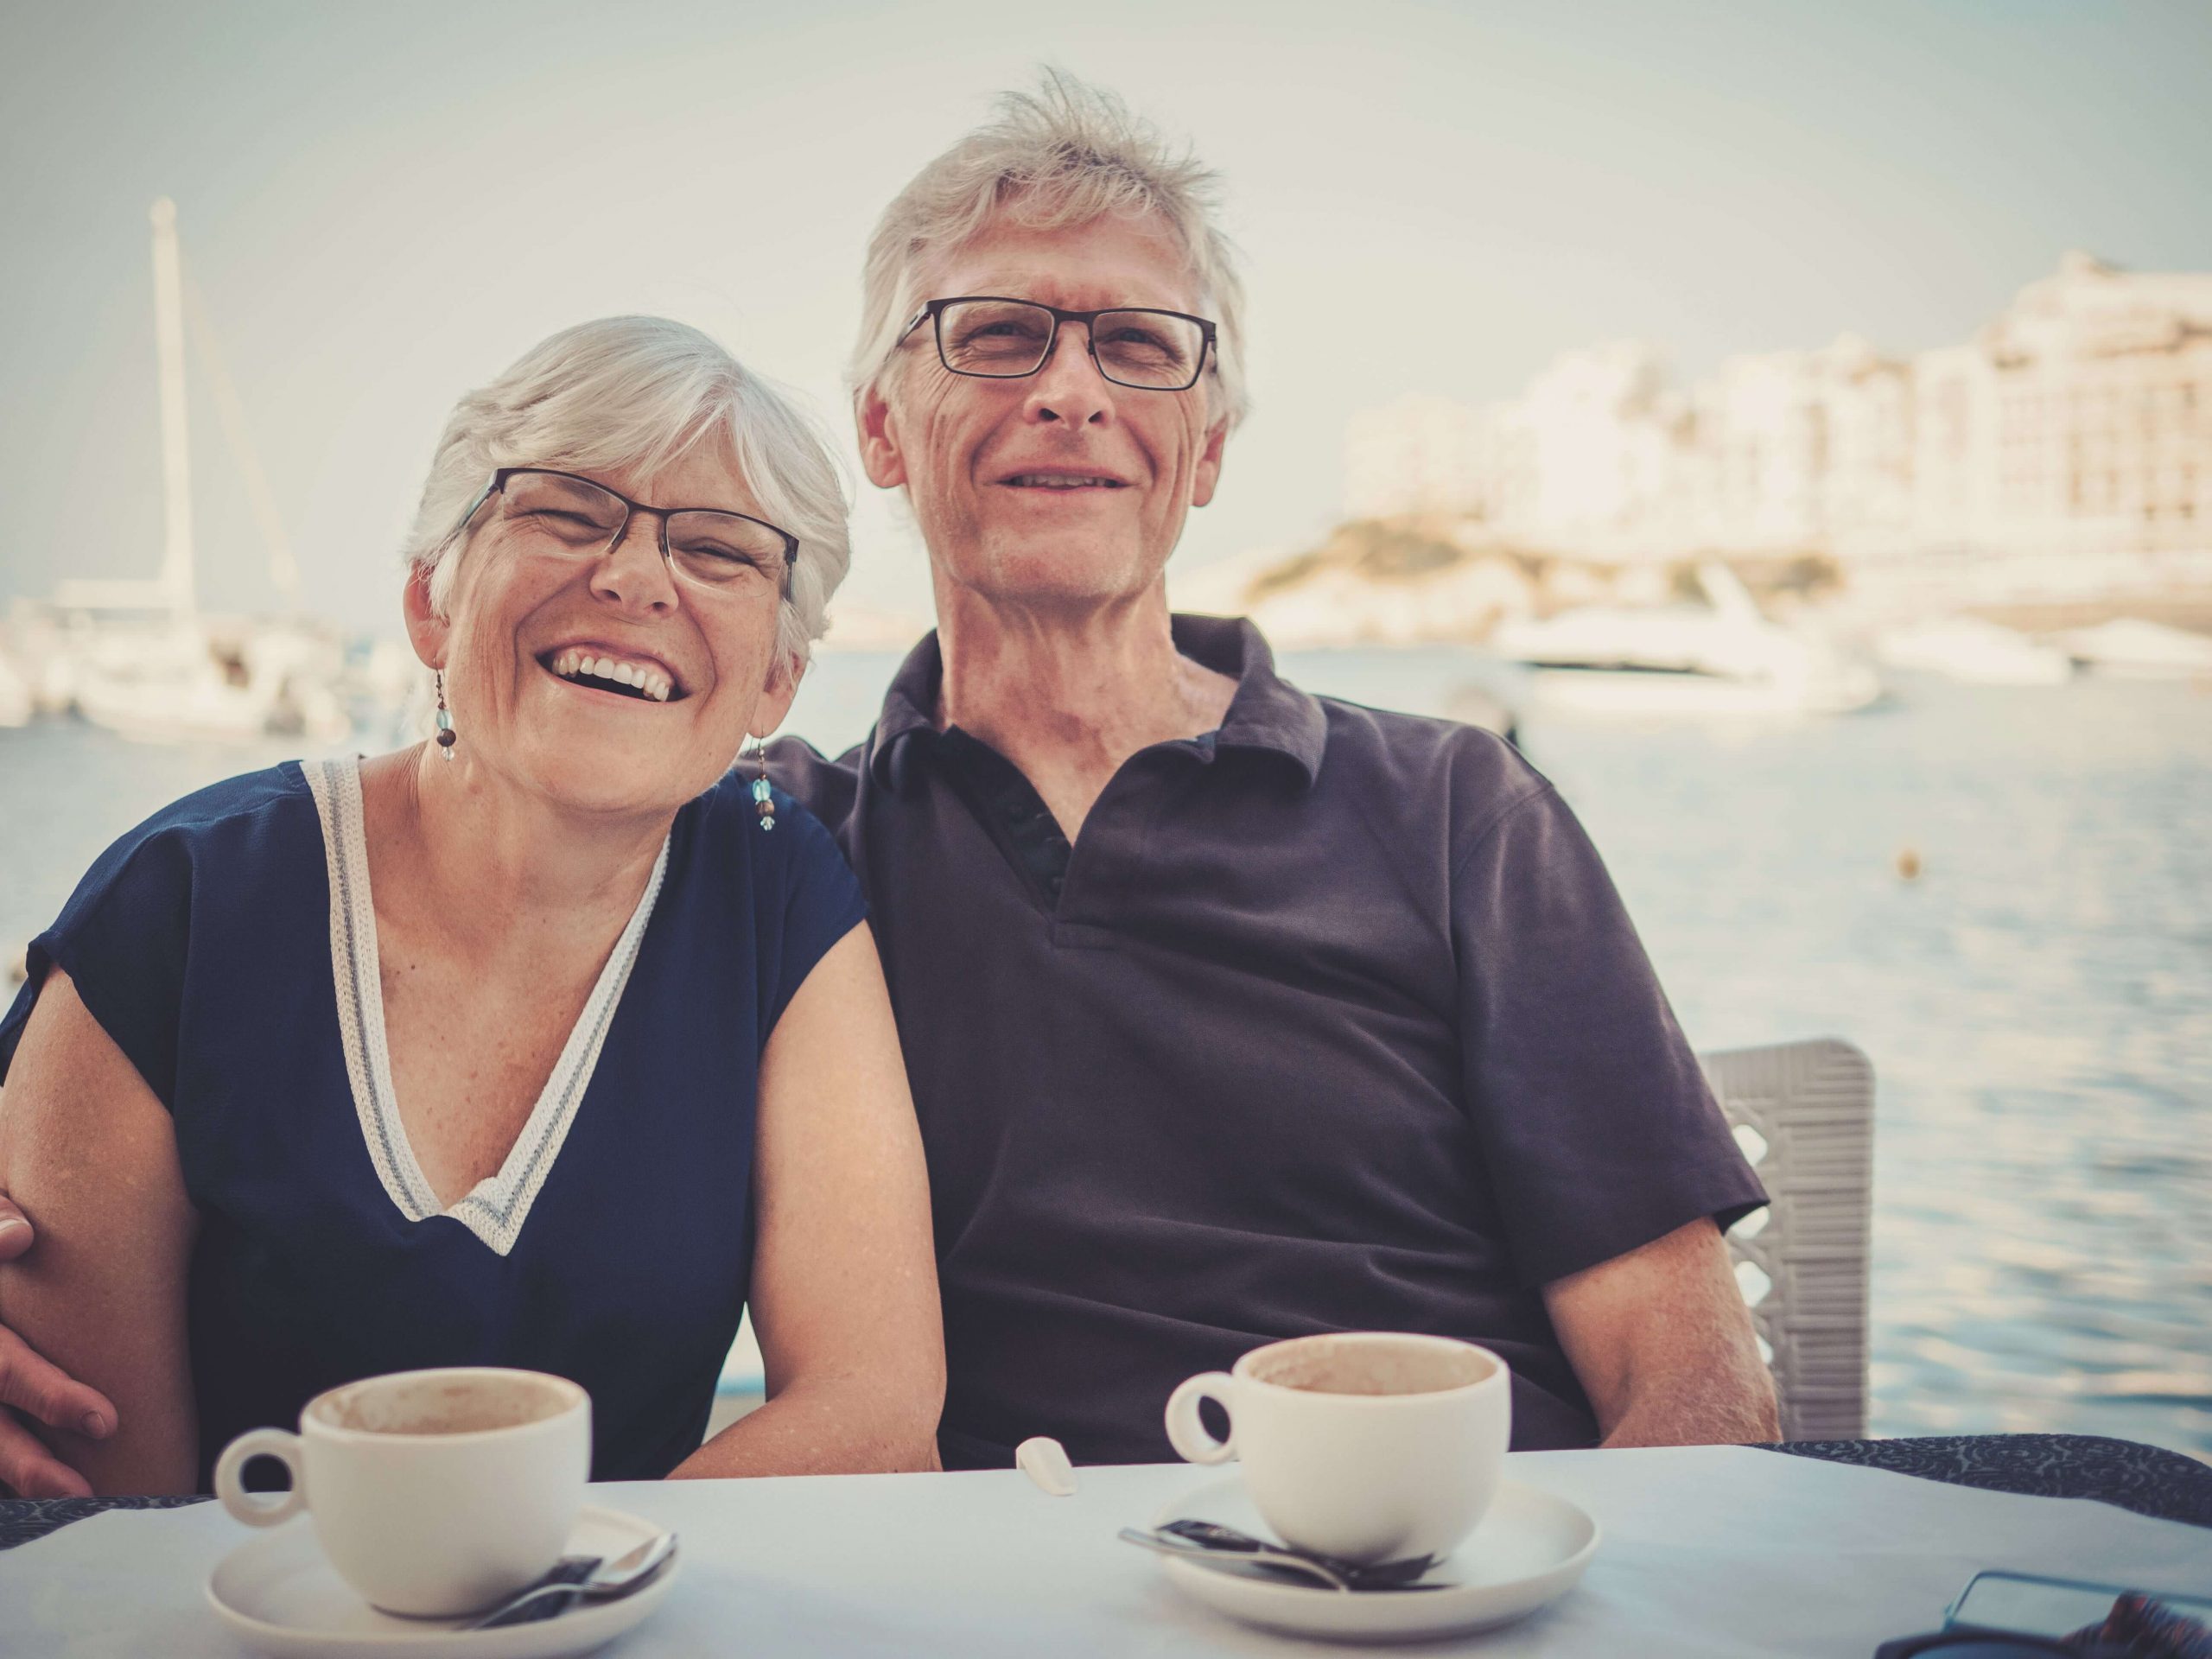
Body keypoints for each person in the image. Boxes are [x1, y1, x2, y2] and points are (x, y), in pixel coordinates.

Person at [0, 75, 1776, 1495]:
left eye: (1138, 346)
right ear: (878, 429)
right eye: (993, 335)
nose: (1068, 389)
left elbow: (1685, 1366)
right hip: (983, 1602)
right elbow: (382, 930)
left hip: (1471, 1564)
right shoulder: (774, 854)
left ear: (1206, 444)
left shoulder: (1460, 812)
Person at [0, 317, 944, 1496]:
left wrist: (554, 1593)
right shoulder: (178, 910)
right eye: (565, 511)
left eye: (717, 550)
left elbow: (877, 1412)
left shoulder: (777, 884)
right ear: (429, 604)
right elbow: (102, 1505)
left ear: (776, 680)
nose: (636, 576)